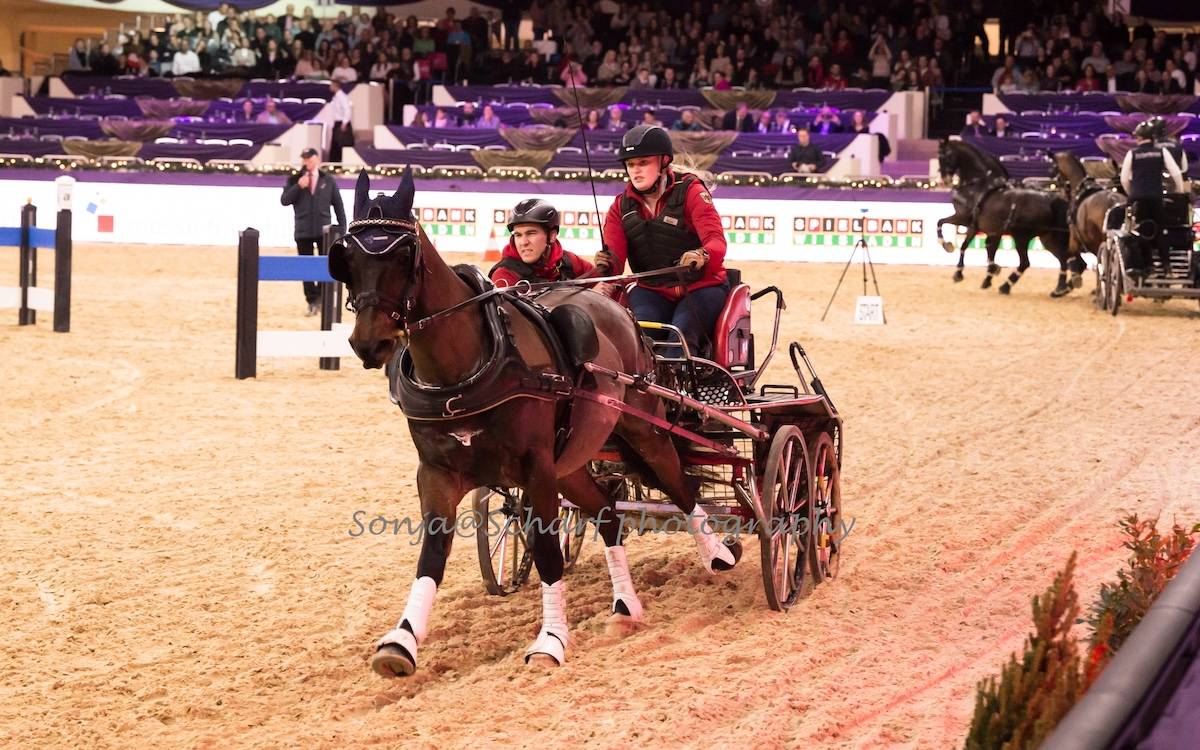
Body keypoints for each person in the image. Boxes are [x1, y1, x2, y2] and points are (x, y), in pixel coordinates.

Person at [594, 124, 729, 358]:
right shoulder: (620, 207)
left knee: (681, 337)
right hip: (651, 290)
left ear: (663, 162)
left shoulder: (691, 191)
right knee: (639, 340)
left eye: (643, 163)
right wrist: (605, 266)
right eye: (630, 164)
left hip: (701, 287)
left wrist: (702, 254)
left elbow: (716, 241)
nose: (636, 170)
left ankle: (680, 380)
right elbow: (615, 264)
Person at [281, 147, 347, 316]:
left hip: (325, 232)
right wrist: (298, 186)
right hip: (303, 231)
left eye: (309, 158)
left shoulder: (328, 180)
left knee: (326, 266)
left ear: (317, 159)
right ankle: (312, 300)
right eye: (304, 159)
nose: (307, 162)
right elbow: (284, 200)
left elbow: (338, 205)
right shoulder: (294, 179)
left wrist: (343, 229)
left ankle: (322, 298)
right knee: (306, 268)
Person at [1120, 120, 1185, 281]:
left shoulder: (1132, 153)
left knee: (1141, 232)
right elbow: (1177, 173)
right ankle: (1167, 267)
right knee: (1160, 231)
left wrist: (1131, 193)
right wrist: (1180, 190)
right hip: (1156, 197)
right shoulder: (1161, 152)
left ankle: (1148, 267)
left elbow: (1124, 179)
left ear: (1139, 138)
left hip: (1138, 199)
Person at [489, 199, 594, 287]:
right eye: (518, 235)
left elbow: (600, 282)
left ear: (552, 236)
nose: (523, 242)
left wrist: (602, 267)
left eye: (531, 233)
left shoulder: (568, 261)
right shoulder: (504, 276)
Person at [328, 80, 353, 162]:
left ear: (336, 86)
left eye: (331, 85)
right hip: (337, 123)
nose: (329, 87)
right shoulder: (336, 97)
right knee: (336, 144)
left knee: (341, 144)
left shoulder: (342, 97)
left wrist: (344, 123)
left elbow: (347, 110)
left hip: (342, 123)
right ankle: (335, 162)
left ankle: (340, 161)